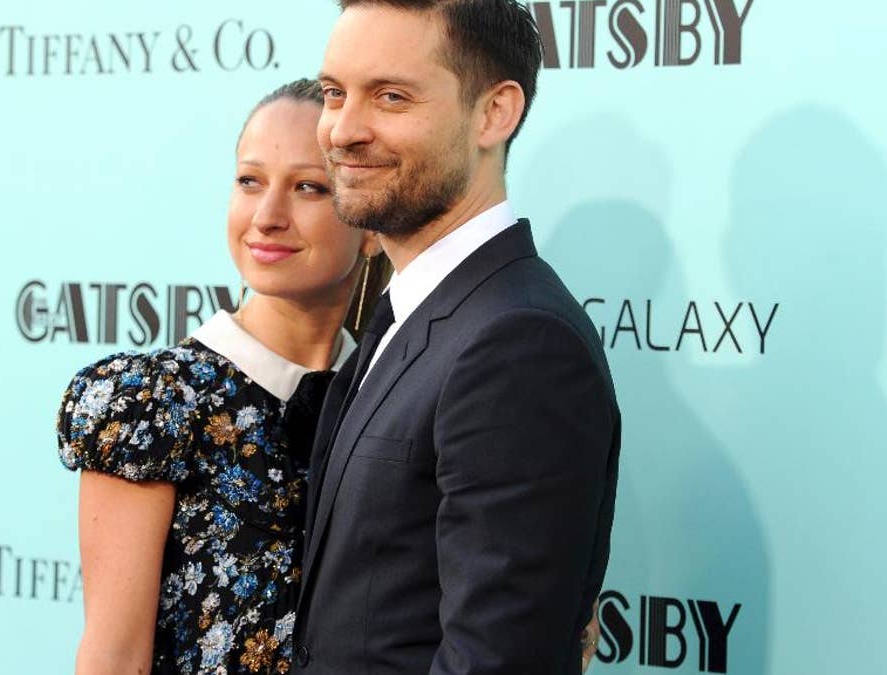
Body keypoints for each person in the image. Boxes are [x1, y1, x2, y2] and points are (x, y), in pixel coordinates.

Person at [293, 2, 621, 674]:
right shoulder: (415, 312)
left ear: (494, 113)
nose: (343, 130)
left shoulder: (518, 345)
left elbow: (495, 660)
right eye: (333, 93)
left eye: (390, 96)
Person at [55, 79, 385, 675]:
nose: (267, 216)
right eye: (249, 181)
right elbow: (115, 658)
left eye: (308, 187)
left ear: (368, 226)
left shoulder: (391, 397)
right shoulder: (153, 404)